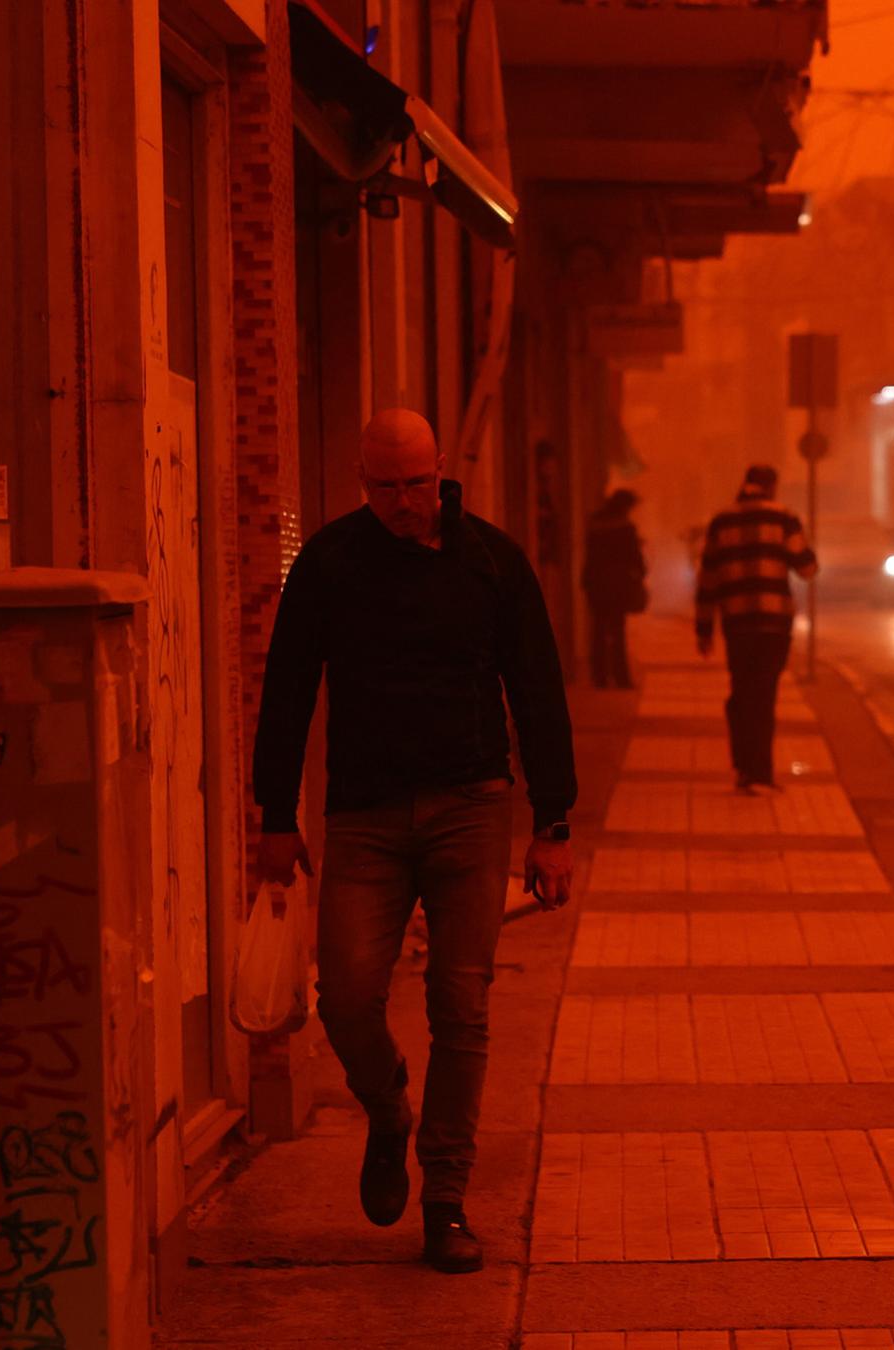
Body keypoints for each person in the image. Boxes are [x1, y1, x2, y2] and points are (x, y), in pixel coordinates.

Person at [252, 408, 576, 1274]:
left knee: (460, 1006)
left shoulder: (490, 562)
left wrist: (553, 824)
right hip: (364, 816)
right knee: (346, 997)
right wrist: (275, 814)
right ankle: (389, 1108)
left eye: (418, 484)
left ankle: (446, 1201)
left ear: (442, 472)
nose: (405, 502)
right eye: (387, 487)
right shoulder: (330, 563)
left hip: (472, 807)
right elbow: (286, 688)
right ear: (363, 482)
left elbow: (537, 690)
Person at [694, 464, 818, 793]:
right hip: (774, 623)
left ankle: (744, 768)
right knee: (765, 694)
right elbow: (807, 568)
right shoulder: (784, 518)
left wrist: (703, 629)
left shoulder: (721, 521)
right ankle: (761, 771)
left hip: (737, 623)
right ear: (771, 486)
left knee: (742, 692)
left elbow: (708, 579)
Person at [580, 488, 646, 689]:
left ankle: (599, 676)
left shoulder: (595, 522)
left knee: (598, 630)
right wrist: (640, 573)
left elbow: (590, 554)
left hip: (596, 584)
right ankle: (621, 677)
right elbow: (635, 558)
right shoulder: (625, 527)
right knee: (617, 631)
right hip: (618, 585)